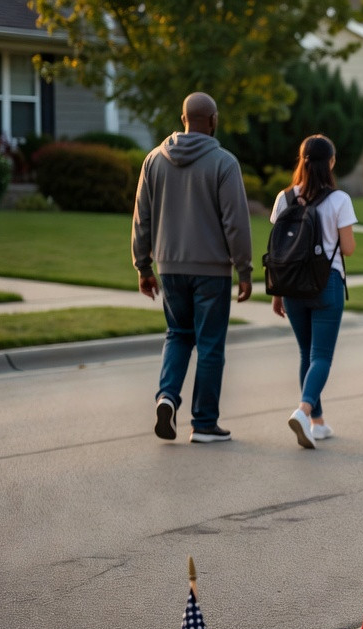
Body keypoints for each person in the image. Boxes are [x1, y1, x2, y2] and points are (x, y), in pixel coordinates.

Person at [133, 92, 252, 444]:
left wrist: (143, 265)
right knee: (210, 344)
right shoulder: (223, 162)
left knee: (178, 334)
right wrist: (244, 270)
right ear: (213, 120)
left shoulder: (154, 159)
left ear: (183, 117)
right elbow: (236, 223)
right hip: (212, 270)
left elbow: (142, 217)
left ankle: (167, 396)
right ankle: (203, 423)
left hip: (169, 266)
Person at [270, 135, 358, 449]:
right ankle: (304, 411)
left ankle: (317, 423)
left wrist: (277, 292)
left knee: (305, 353)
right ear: (331, 162)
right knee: (321, 356)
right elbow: (347, 248)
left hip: (291, 286)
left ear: (302, 160)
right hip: (326, 285)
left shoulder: (284, 198)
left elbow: (279, 247)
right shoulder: (339, 200)